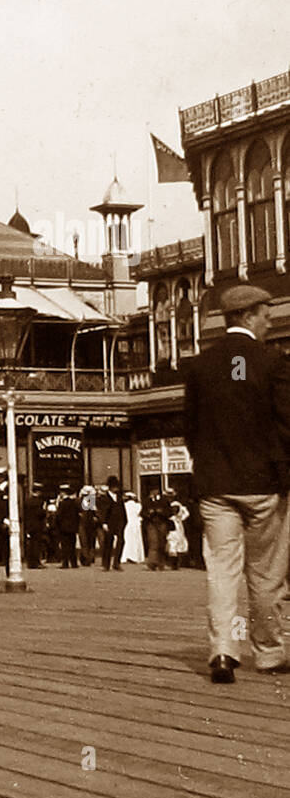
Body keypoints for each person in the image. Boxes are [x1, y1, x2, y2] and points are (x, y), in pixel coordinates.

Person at [184, 284, 290, 682]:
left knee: (222, 570)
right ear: (247, 316)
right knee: (264, 573)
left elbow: (191, 429)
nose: (269, 322)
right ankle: (268, 652)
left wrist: (208, 466)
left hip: (215, 484)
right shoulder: (272, 362)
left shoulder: (200, 365)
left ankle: (223, 653)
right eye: (266, 315)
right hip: (263, 484)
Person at [98, 477, 127, 571]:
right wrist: (104, 523)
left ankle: (116, 563)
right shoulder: (104, 498)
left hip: (119, 522)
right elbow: (102, 511)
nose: (117, 489)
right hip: (109, 522)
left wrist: (125, 521)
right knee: (108, 543)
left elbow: (123, 510)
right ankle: (105, 564)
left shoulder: (119, 497)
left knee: (121, 541)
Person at [55, 485, 80, 569]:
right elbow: (78, 515)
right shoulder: (74, 503)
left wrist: (57, 525)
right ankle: (74, 563)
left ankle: (65, 563)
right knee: (72, 545)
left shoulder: (62, 503)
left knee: (65, 546)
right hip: (72, 527)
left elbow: (59, 515)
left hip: (64, 527)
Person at [144, 490, 170, 570]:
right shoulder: (147, 501)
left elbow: (169, 512)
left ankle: (161, 563)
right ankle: (152, 563)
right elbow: (143, 512)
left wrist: (162, 512)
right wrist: (148, 513)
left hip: (162, 522)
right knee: (153, 542)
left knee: (162, 543)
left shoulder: (164, 501)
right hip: (151, 523)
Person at [121, 491, 145, 564]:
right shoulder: (138, 505)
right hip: (136, 524)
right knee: (136, 540)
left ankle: (126, 556)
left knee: (127, 539)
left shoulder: (124, 505)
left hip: (128, 524)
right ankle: (136, 556)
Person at [78, 485, 99, 566]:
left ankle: (87, 558)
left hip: (87, 524)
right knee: (87, 542)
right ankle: (87, 558)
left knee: (87, 542)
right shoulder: (90, 501)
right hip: (86, 524)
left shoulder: (88, 501)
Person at [166, 499, 189, 569]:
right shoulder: (171, 518)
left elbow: (186, 514)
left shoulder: (180, 518)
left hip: (179, 532)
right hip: (172, 532)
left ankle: (176, 563)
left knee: (178, 547)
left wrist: (183, 508)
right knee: (172, 546)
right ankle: (173, 564)